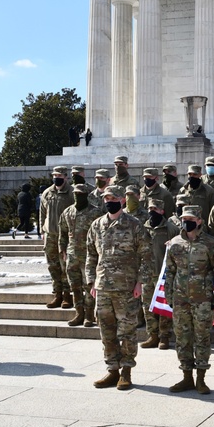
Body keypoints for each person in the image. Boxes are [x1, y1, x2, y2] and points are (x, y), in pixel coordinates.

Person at [87, 186, 153, 391]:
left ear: (123, 200)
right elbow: (91, 255)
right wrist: (91, 282)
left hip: (126, 288)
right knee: (106, 331)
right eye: (106, 198)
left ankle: (126, 370)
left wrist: (141, 282)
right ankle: (112, 369)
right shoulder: (97, 225)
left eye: (113, 198)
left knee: (127, 331)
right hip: (103, 287)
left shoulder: (134, 225)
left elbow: (146, 256)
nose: (109, 201)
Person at [164, 205, 214, 394]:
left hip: (202, 300)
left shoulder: (211, 244)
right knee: (183, 339)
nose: (186, 222)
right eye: (184, 218)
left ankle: (201, 379)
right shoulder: (175, 243)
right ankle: (186, 378)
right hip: (180, 299)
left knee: (202, 338)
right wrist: (169, 296)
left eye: (191, 219)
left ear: (199, 221)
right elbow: (170, 272)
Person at [58, 183, 101, 327]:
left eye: (81, 194)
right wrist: (62, 249)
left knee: (88, 286)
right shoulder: (68, 212)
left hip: (88, 256)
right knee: (74, 286)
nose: (78, 196)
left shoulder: (95, 212)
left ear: (87, 195)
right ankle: (79, 313)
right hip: (72, 255)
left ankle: (89, 315)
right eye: (76, 193)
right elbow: (62, 232)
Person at [142, 198, 179, 348]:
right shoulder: (143, 228)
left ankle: (164, 336)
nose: (152, 212)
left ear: (162, 211)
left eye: (155, 209)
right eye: (150, 209)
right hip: (146, 274)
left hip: (163, 274)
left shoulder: (171, 228)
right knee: (147, 306)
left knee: (163, 306)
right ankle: (153, 335)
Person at [39, 166, 73, 308]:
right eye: (54, 175)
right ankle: (57, 294)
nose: (56, 177)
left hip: (64, 236)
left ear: (66, 176)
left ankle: (67, 295)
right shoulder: (47, 193)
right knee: (53, 266)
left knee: (65, 267)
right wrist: (42, 230)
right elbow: (42, 212)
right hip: (50, 235)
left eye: (59, 175)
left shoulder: (71, 193)